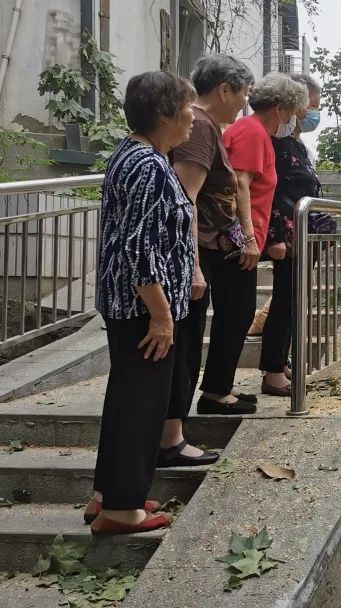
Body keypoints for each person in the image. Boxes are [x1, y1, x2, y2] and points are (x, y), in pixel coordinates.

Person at [89, 71, 204, 534]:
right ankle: (121, 510)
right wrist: (161, 316)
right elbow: (140, 248)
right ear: (164, 115)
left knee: (125, 398)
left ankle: (110, 493)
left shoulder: (131, 155)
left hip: (125, 303)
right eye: (188, 109)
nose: (193, 118)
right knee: (141, 404)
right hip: (142, 308)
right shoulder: (152, 166)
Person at [194, 72, 306, 411]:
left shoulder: (253, 132)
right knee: (236, 313)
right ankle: (215, 393)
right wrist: (248, 237)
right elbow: (239, 185)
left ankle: (218, 387)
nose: (290, 120)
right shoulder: (253, 132)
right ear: (279, 108)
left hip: (241, 237)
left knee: (238, 313)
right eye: (291, 112)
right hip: (235, 240)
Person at [171, 54, 257, 421]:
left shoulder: (206, 125)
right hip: (202, 246)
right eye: (244, 94)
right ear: (224, 89)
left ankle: (215, 392)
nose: (245, 102)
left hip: (215, 243)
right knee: (189, 338)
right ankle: (175, 428)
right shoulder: (200, 126)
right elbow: (184, 197)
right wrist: (192, 265)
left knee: (234, 313)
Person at [260, 74, 326, 396]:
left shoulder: (298, 145)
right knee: (285, 300)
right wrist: (278, 236)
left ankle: (279, 363)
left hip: (303, 233)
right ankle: (273, 372)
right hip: (289, 236)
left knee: (292, 300)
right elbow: (272, 192)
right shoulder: (277, 146)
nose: (313, 112)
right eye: (308, 106)